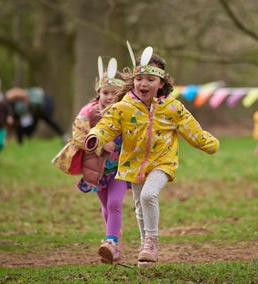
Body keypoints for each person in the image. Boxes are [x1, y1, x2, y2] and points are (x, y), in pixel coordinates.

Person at [83, 45, 220, 267]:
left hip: (162, 163)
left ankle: (152, 242)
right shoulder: (124, 107)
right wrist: (95, 136)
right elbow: (107, 126)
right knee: (139, 205)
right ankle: (144, 249)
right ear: (134, 81)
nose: (144, 84)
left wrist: (209, 144)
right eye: (140, 79)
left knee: (148, 196)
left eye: (150, 79)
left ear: (161, 83)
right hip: (133, 164)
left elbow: (192, 130)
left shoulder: (172, 108)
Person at [52, 57, 128, 264]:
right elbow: (78, 136)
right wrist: (100, 144)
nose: (109, 97)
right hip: (97, 169)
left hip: (120, 169)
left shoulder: (127, 111)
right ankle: (114, 243)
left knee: (114, 203)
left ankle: (111, 242)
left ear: (121, 95)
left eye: (114, 93)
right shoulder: (88, 112)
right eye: (105, 93)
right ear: (99, 93)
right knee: (105, 206)